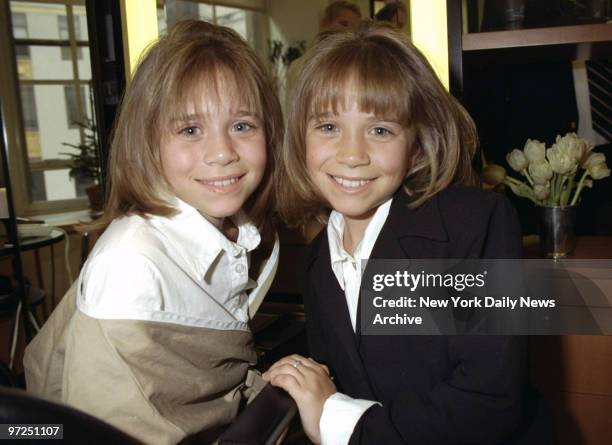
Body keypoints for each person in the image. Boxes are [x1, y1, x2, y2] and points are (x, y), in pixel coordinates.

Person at [264, 23, 554, 445]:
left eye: (380, 130)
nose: (351, 155)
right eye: (328, 127)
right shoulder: (315, 262)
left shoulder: (474, 224)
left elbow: (490, 402)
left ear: (416, 146)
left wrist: (339, 421)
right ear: (300, 140)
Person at [23, 20, 282, 445]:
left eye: (242, 125)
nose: (221, 153)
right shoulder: (132, 265)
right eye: (190, 130)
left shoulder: (243, 233)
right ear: (148, 143)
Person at [285, 1, 362, 111]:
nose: (348, 31)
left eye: (355, 28)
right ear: (325, 23)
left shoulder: (359, 66)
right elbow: (294, 112)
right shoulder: (300, 67)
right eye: (344, 23)